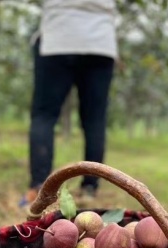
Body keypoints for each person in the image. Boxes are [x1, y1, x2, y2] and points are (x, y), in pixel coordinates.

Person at [20, 0, 118, 207]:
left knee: (44, 116)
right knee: (94, 119)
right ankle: (90, 188)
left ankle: (39, 187)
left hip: (59, 35)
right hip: (99, 41)